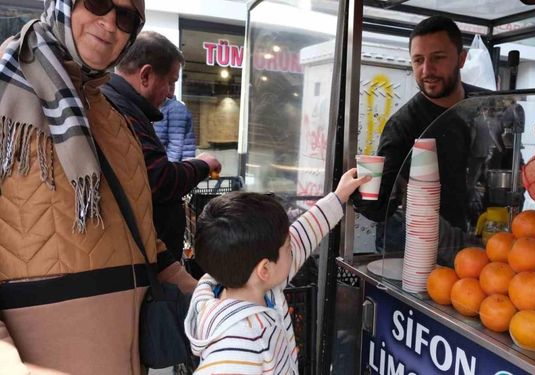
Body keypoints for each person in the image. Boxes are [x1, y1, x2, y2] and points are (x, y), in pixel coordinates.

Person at [0, 1, 196, 374]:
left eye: (125, 17)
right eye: (98, 3)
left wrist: (203, 294)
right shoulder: (6, 90)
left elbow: (142, 234)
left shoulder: (112, 116)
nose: (109, 24)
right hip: (43, 356)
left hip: (129, 351)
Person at [185, 169, 370, 374]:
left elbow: (303, 234)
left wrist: (339, 197)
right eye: (288, 247)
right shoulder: (241, 340)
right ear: (265, 269)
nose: (294, 248)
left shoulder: (258, 283)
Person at [352, 16, 487, 266]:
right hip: (415, 257)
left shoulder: (487, 106)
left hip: (482, 250)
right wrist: (359, 192)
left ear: (461, 58)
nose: (427, 70)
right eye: (418, 60)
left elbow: (508, 170)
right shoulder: (403, 126)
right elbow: (380, 209)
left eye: (437, 58)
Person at [102, 31, 221, 262]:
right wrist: (201, 165)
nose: (170, 93)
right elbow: (159, 181)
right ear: (145, 75)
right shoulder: (120, 112)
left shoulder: (120, 105)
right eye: (170, 82)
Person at [155, 82, 197, 162]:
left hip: (178, 165)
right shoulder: (162, 107)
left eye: (172, 84)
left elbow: (175, 145)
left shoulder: (176, 108)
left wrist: (167, 169)